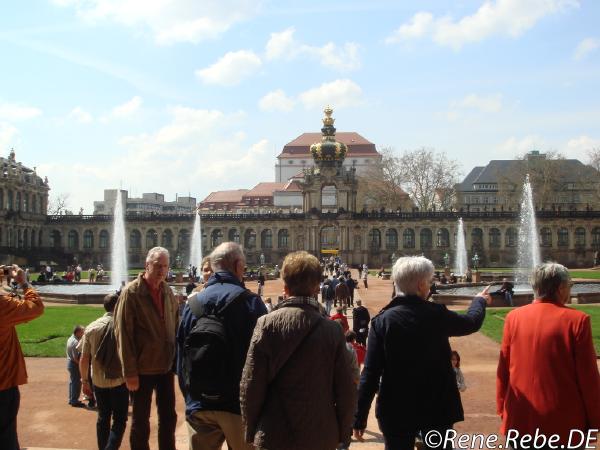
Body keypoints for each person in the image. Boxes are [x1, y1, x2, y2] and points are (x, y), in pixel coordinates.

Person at [353, 256, 490, 450]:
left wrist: (359, 417)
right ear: (420, 285)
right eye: (430, 281)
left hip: (396, 408)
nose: (431, 285)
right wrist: (479, 301)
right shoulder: (437, 314)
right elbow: (471, 322)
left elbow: (371, 374)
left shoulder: (382, 321)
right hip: (437, 406)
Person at [240, 251, 357, 450]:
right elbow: (346, 391)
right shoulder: (333, 330)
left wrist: (251, 431)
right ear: (316, 287)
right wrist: (343, 436)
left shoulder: (265, 324)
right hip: (321, 435)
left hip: (273, 433)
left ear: (285, 288)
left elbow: (251, 384)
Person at [496, 263, 600, 447]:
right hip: (563, 424)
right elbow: (588, 378)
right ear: (561, 288)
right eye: (570, 285)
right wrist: (596, 420)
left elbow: (503, 370)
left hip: (520, 418)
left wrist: (503, 408)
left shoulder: (514, 317)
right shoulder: (577, 320)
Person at [176, 242, 267, 450]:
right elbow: (263, 359)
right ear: (236, 265)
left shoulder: (192, 305)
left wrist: (192, 399)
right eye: (243, 266)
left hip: (199, 405)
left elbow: (181, 358)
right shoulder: (252, 303)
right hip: (238, 406)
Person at [114, 247, 179, 450]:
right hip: (142, 369)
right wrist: (129, 372)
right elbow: (123, 334)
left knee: (168, 417)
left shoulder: (167, 291)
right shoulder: (131, 293)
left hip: (165, 366)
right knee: (141, 420)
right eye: (157, 266)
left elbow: (175, 325)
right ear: (147, 265)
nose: (161, 270)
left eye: (165, 266)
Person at [0, 264, 44, 449]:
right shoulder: (3, 306)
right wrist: (23, 282)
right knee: (6, 438)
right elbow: (35, 307)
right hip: (3, 386)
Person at [79, 293, 129, 450]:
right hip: (119, 380)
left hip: (99, 381)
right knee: (120, 419)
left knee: (103, 417)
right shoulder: (123, 325)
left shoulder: (92, 327)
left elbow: (84, 359)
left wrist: (84, 381)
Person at [67, 324, 86, 407]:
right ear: (77, 332)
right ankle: (74, 401)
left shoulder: (71, 338)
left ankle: (71, 399)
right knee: (76, 383)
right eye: (82, 332)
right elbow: (75, 358)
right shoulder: (75, 342)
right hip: (74, 364)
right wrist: (82, 365)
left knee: (72, 382)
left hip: (70, 363)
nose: (83, 333)